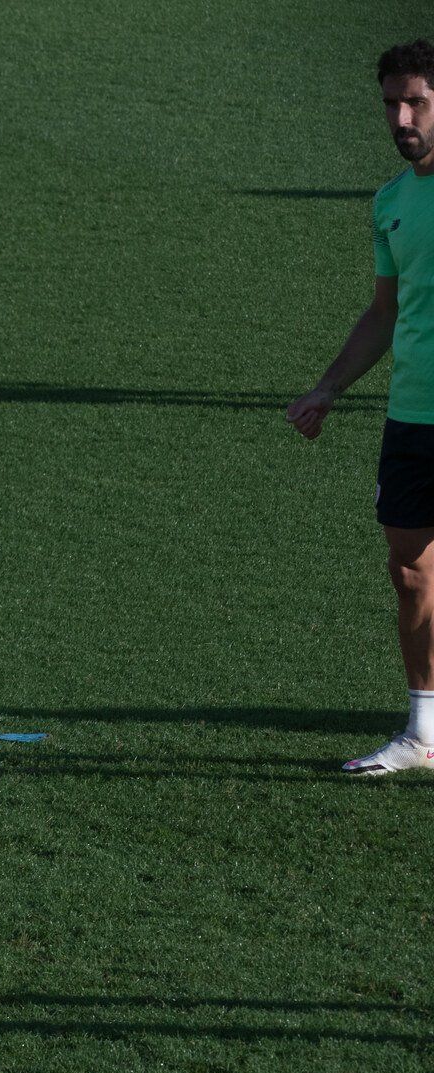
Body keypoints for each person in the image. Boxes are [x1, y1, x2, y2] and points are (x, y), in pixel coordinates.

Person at [288, 39, 434, 774]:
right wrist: (328, 387)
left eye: (415, 102)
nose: (400, 116)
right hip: (412, 415)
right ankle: (424, 732)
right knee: (408, 570)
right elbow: (384, 313)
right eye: (390, 103)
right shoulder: (391, 201)